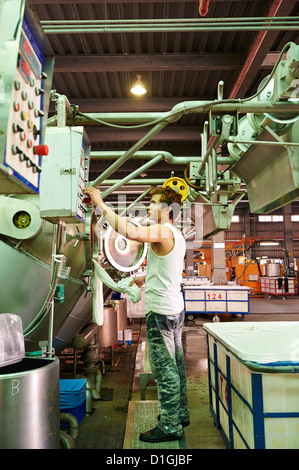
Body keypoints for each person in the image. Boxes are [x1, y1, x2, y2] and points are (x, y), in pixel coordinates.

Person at [84, 185, 190, 443]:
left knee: (164, 370)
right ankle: (180, 413)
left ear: (167, 209)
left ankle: (170, 425)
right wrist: (144, 278)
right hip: (175, 308)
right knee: (176, 365)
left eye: (153, 203)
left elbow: (131, 231)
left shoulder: (162, 230)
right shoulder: (176, 234)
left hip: (161, 313)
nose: (149, 208)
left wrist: (100, 203)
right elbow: (170, 269)